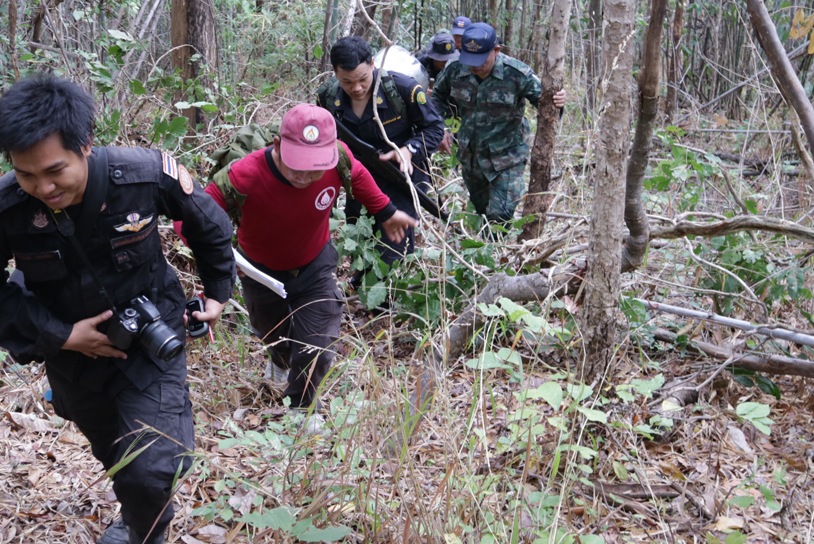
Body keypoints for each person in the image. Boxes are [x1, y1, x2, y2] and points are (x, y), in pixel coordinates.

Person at [0, 75, 235, 544]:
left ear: (84, 145)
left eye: (55, 170)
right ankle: (138, 506)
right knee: (113, 450)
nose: (42, 187)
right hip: (72, 356)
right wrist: (62, 336)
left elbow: (210, 226)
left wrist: (217, 293)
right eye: (26, 174)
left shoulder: (145, 174)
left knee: (156, 461)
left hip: (152, 344)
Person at [179, 104, 416, 422]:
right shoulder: (244, 174)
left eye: (315, 167)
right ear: (278, 146)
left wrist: (386, 212)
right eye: (298, 165)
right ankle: (278, 359)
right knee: (272, 331)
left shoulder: (338, 158)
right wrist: (214, 255)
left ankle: (302, 411)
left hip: (314, 262)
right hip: (259, 269)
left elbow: (358, 175)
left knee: (317, 342)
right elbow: (192, 218)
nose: (306, 176)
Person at [317, 36, 443, 274]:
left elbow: (435, 128)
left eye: (363, 79)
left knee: (395, 248)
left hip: (401, 178)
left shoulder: (402, 89)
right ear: (334, 72)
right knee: (361, 239)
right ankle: (365, 288)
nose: (357, 88)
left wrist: (409, 150)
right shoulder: (327, 98)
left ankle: (393, 298)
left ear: (373, 64)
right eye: (347, 82)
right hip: (358, 180)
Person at [433, 22, 567, 229]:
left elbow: (548, 108)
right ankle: (483, 256)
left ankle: (496, 256)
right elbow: (437, 97)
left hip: (507, 158)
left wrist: (558, 101)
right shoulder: (455, 68)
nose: (474, 65)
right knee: (481, 212)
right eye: (469, 58)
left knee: (500, 216)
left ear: (496, 50)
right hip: (471, 157)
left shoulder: (517, 73)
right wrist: (439, 128)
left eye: (481, 59)